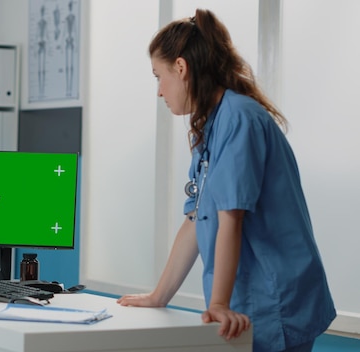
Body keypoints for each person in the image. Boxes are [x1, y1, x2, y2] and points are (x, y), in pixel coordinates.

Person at [116, 9, 335, 352]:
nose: (159, 91)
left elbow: (231, 218)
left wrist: (217, 304)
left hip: (276, 299)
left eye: (159, 76)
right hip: (251, 300)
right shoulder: (211, 126)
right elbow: (196, 219)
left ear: (181, 68)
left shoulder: (239, 119)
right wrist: (159, 296)